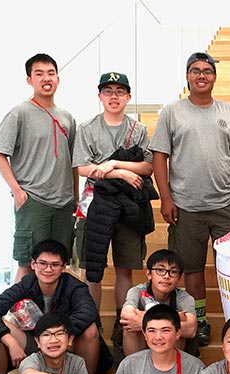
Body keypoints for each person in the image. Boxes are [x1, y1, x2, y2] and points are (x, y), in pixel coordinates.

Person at [150, 51, 230, 348]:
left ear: (215, 76)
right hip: (186, 206)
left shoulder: (229, 111)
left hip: (225, 204)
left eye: (207, 71)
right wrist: (166, 197)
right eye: (195, 70)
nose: (201, 75)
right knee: (193, 269)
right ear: (187, 77)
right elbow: (159, 156)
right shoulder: (172, 112)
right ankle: (198, 320)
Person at [71, 71, 153, 341]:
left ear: (128, 97)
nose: (114, 96)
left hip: (128, 204)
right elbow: (82, 167)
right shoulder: (87, 128)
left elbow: (148, 166)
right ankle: (91, 323)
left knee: (125, 268)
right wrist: (119, 174)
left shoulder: (137, 129)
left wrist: (115, 164)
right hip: (95, 203)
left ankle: (123, 322)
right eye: (108, 91)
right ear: (99, 96)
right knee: (91, 268)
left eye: (120, 91)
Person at [0, 239, 104, 374]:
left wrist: (53, 335)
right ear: (33, 264)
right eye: (42, 263)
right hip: (33, 342)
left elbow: (89, 313)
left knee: (90, 330)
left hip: (65, 344)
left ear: (64, 266)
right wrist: (11, 342)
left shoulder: (75, 287)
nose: (48, 269)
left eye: (55, 265)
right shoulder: (26, 284)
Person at [0, 53, 77, 282]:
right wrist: (18, 191)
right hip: (33, 201)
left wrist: (75, 198)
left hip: (64, 203)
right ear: (29, 80)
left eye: (51, 73)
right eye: (39, 74)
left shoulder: (67, 117)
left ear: (58, 78)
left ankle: (54, 317)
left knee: (60, 264)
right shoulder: (19, 113)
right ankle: (20, 316)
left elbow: (73, 162)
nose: (46, 78)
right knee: (28, 264)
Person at [119, 249, 197, 360]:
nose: (166, 276)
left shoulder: (184, 298)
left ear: (179, 278)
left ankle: (170, 369)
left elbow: (191, 329)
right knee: (129, 327)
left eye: (173, 272)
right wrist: (170, 320)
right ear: (149, 274)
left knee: (181, 321)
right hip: (142, 343)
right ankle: (135, 367)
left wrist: (144, 321)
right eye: (160, 270)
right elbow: (126, 316)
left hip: (172, 351)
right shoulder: (137, 291)